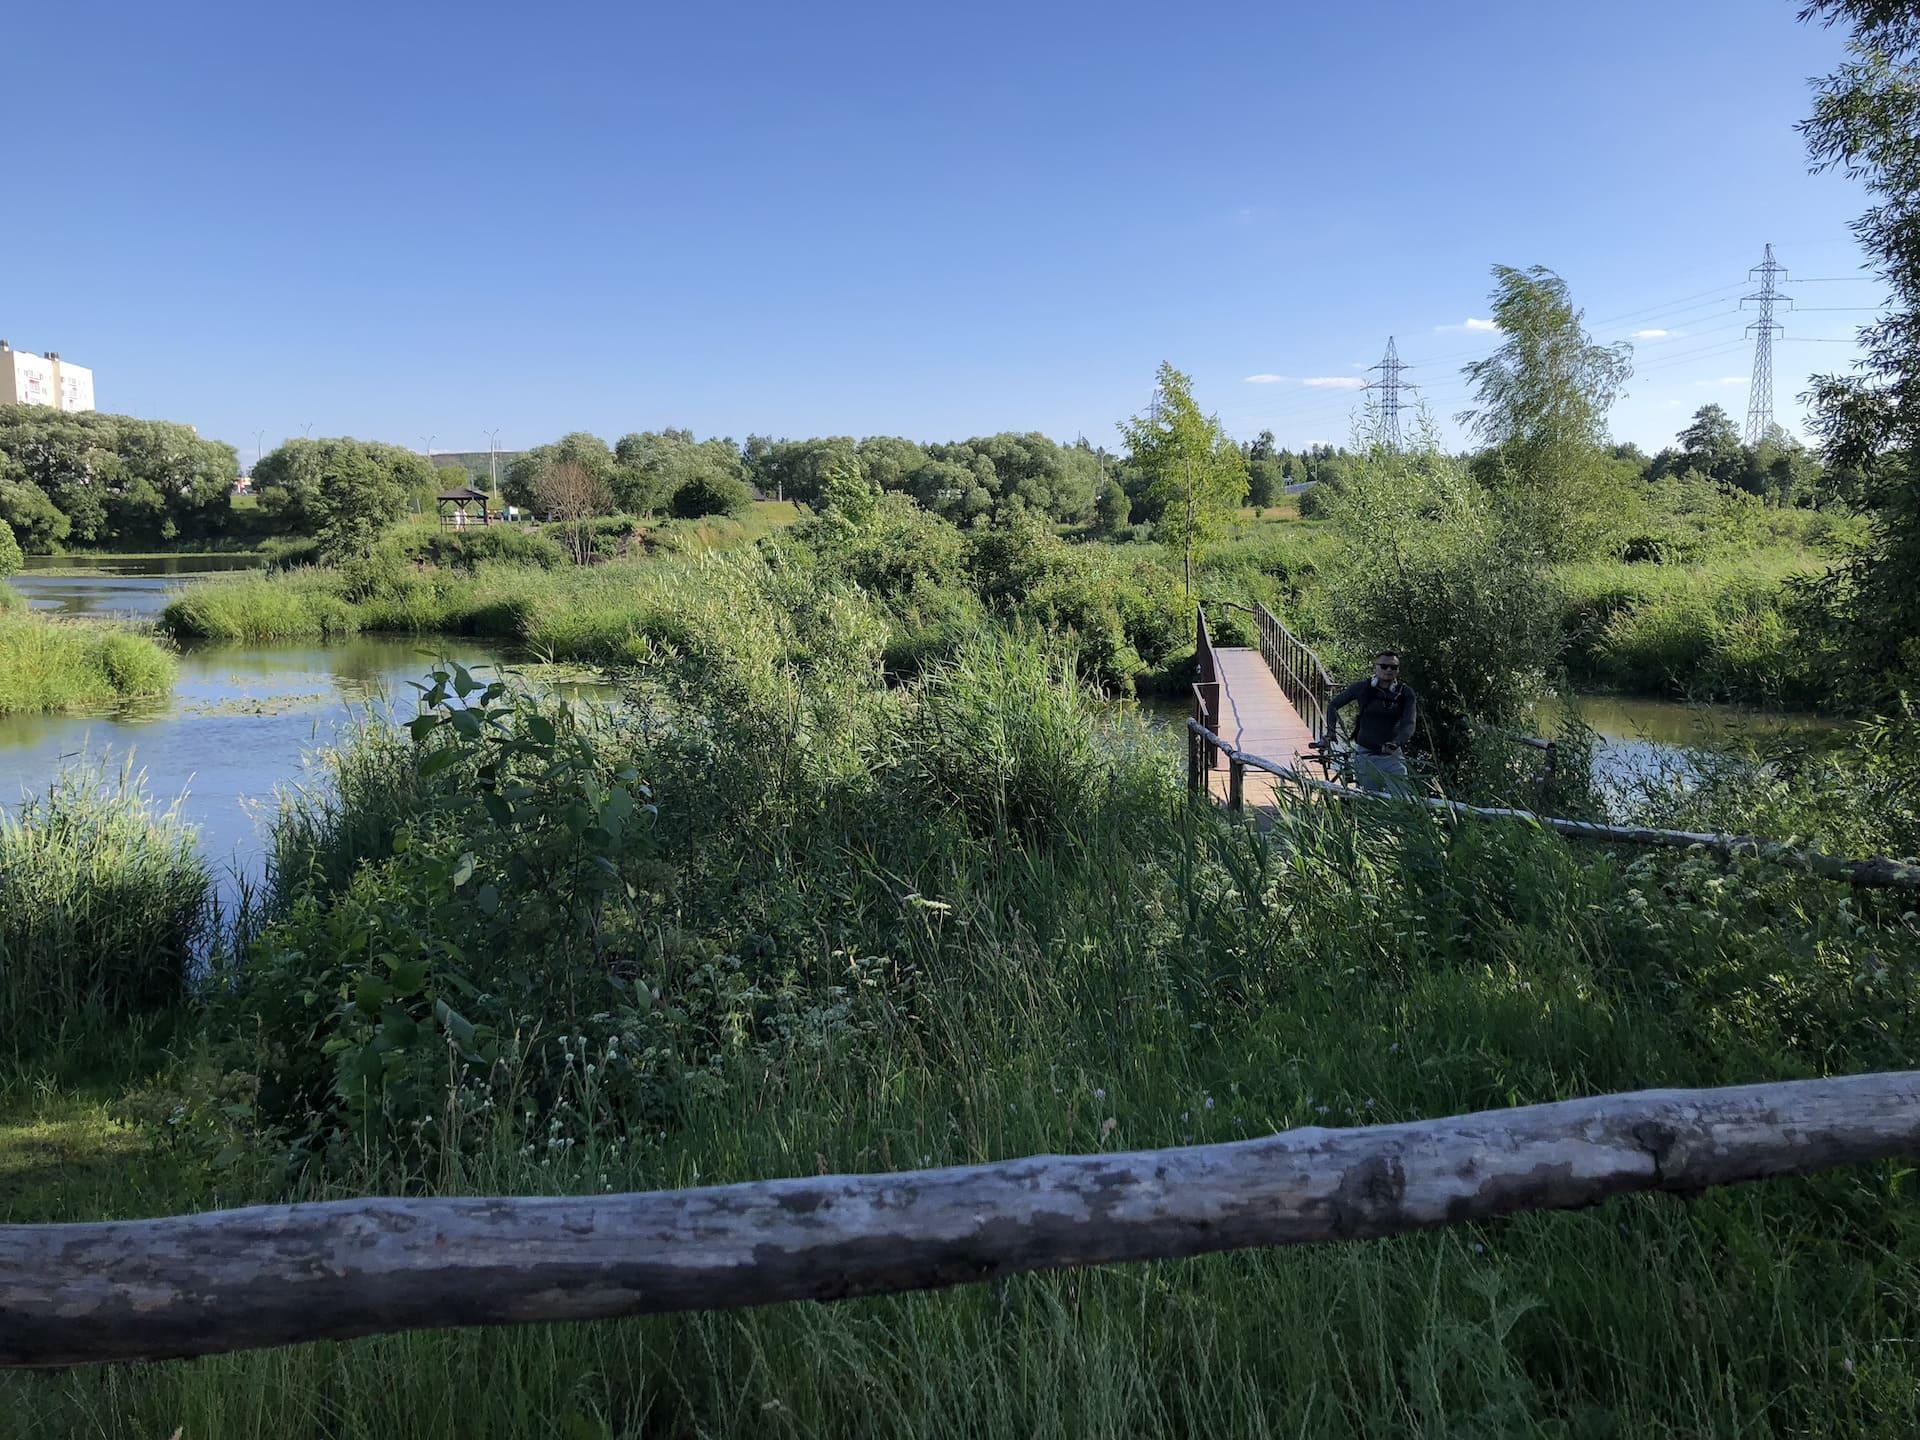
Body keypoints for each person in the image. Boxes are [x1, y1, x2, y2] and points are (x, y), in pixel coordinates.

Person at [1324, 650, 1418, 793]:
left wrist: (1397, 742)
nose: (1388, 670)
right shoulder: (1362, 688)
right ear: (1376, 667)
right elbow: (1333, 705)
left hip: (1392, 756)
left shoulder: (1405, 693)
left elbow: (1409, 723)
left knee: (1401, 799)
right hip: (1366, 755)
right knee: (1368, 799)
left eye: (1394, 667)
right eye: (1384, 666)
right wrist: (1331, 732)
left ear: (1398, 670)